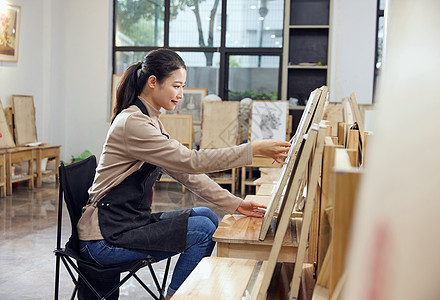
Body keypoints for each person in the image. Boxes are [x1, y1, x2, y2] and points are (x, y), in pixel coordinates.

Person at [77, 48, 291, 299]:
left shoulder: (151, 120)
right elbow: (191, 161)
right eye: (176, 86)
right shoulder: (134, 123)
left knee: (207, 216)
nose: (180, 94)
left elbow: (185, 173)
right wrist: (250, 151)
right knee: (202, 229)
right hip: (103, 239)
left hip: (123, 223)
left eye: (183, 86)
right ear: (153, 82)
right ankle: (177, 296)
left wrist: (237, 204)